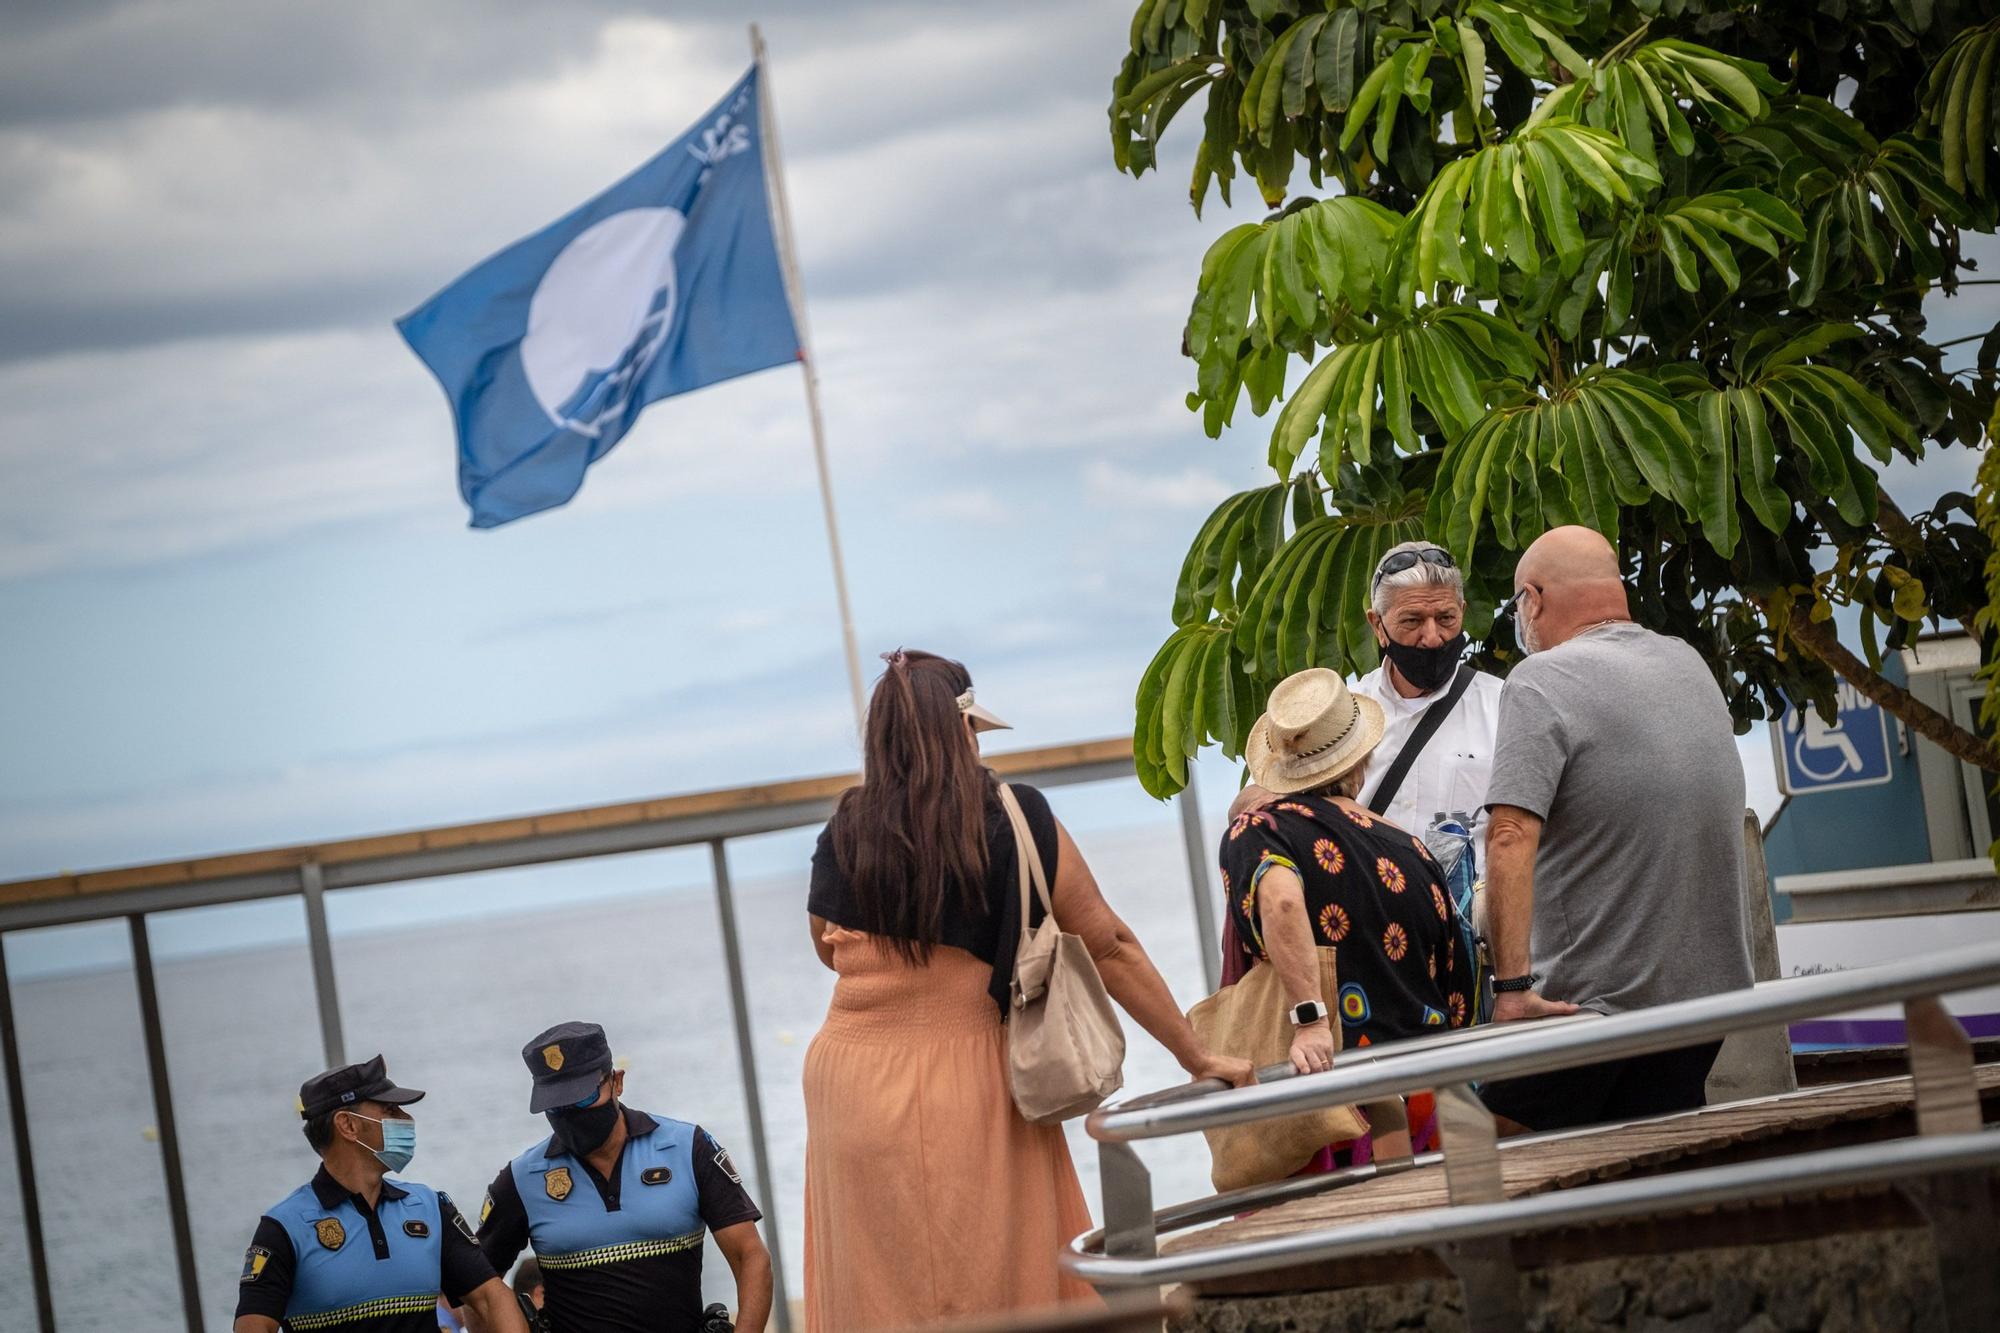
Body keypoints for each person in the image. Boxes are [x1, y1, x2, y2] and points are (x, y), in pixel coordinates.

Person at [802, 650, 1252, 1330]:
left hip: (851, 1077)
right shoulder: (1012, 815)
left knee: (879, 1282)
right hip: (969, 1070)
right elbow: (1108, 944)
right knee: (1002, 1275)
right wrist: (1196, 1055)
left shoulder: (845, 828)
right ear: (961, 730)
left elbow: (826, 946)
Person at [1478, 525, 1755, 1131]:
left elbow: (1509, 836)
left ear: (1534, 599)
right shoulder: (1688, 663)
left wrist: (1514, 987)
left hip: (1589, 1009)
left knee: (1488, 1158)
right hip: (1703, 1002)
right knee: (1645, 1179)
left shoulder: (1541, 679)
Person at [1220, 667, 1476, 1163]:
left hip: (1334, 1110)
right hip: (1432, 1105)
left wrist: (1310, 1019)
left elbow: (1282, 901)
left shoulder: (1262, 830)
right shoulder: (1411, 849)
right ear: (1360, 757)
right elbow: (1453, 979)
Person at [468, 1022, 772, 1333]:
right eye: (557, 1106)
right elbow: (478, 1291)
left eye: (584, 1098)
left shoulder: (686, 1148)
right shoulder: (522, 1179)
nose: (571, 1112)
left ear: (617, 1081)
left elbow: (749, 1256)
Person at [1231, 541, 1502, 855]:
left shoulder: (1503, 705)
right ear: (1378, 626)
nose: (1431, 637)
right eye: (1412, 621)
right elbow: (1247, 807)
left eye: (1446, 619)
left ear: (1463, 613)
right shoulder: (1338, 712)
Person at [232, 1055, 526, 1333]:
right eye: (390, 1111)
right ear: (348, 1125)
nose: (406, 1118)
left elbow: (491, 1297)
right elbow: (254, 1326)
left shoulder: (429, 1208)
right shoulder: (285, 1227)